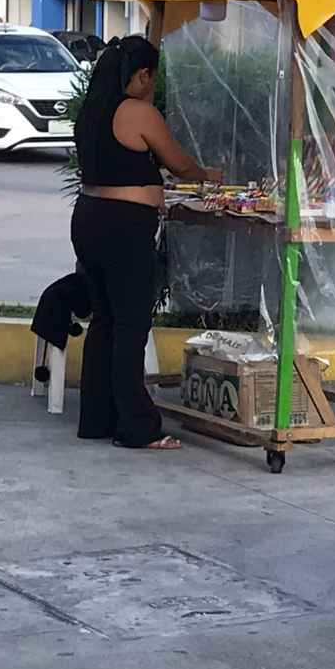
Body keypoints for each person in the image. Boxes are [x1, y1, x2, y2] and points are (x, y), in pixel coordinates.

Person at [71, 36, 222, 449]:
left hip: (89, 220)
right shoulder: (137, 111)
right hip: (124, 227)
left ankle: (98, 419)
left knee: (105, 321)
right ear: (141, 75)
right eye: (152, 79)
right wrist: (211, 175)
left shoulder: (92, 111)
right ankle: (138, 427)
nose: (152, 87)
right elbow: (180, 164)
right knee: (130, 326)